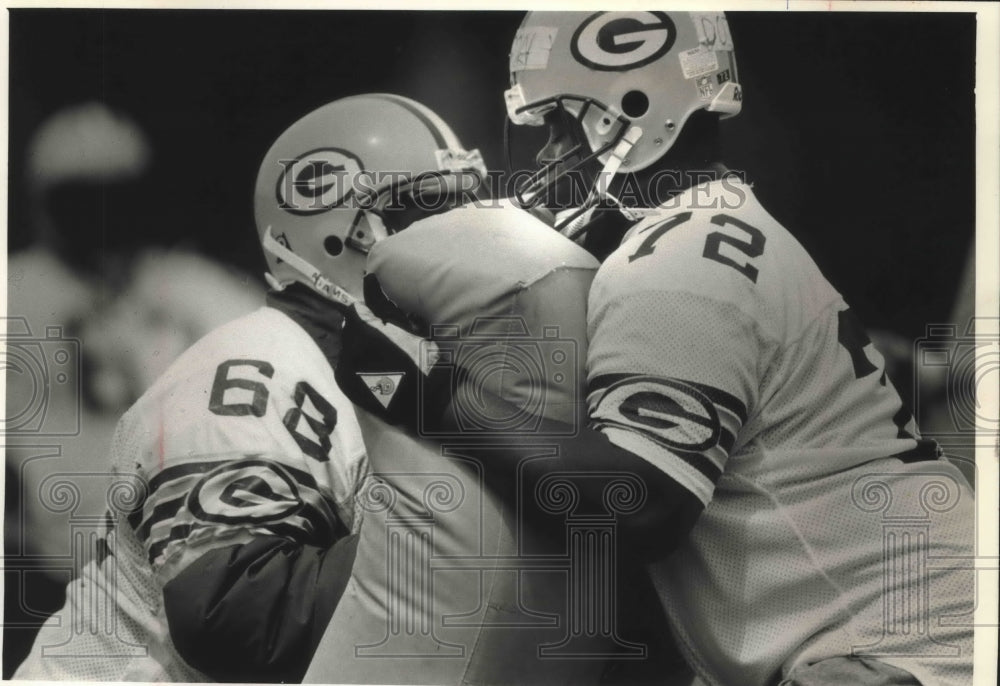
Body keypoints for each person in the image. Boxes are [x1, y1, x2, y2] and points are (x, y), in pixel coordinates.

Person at [335, 12, 975, 686]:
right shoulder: (720, 227)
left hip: (902, 656)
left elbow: (639, 504)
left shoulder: (680, 266)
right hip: (904, 632)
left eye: (558, 122)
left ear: (625, 115)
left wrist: (432, 394)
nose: (547, 153)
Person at [13, 93, 485, 682]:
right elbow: (231, 613)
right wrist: (458, 530)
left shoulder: (205, 295)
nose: (468, 236)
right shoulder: (256, 368)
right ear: (340, 234)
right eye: (430, 211)